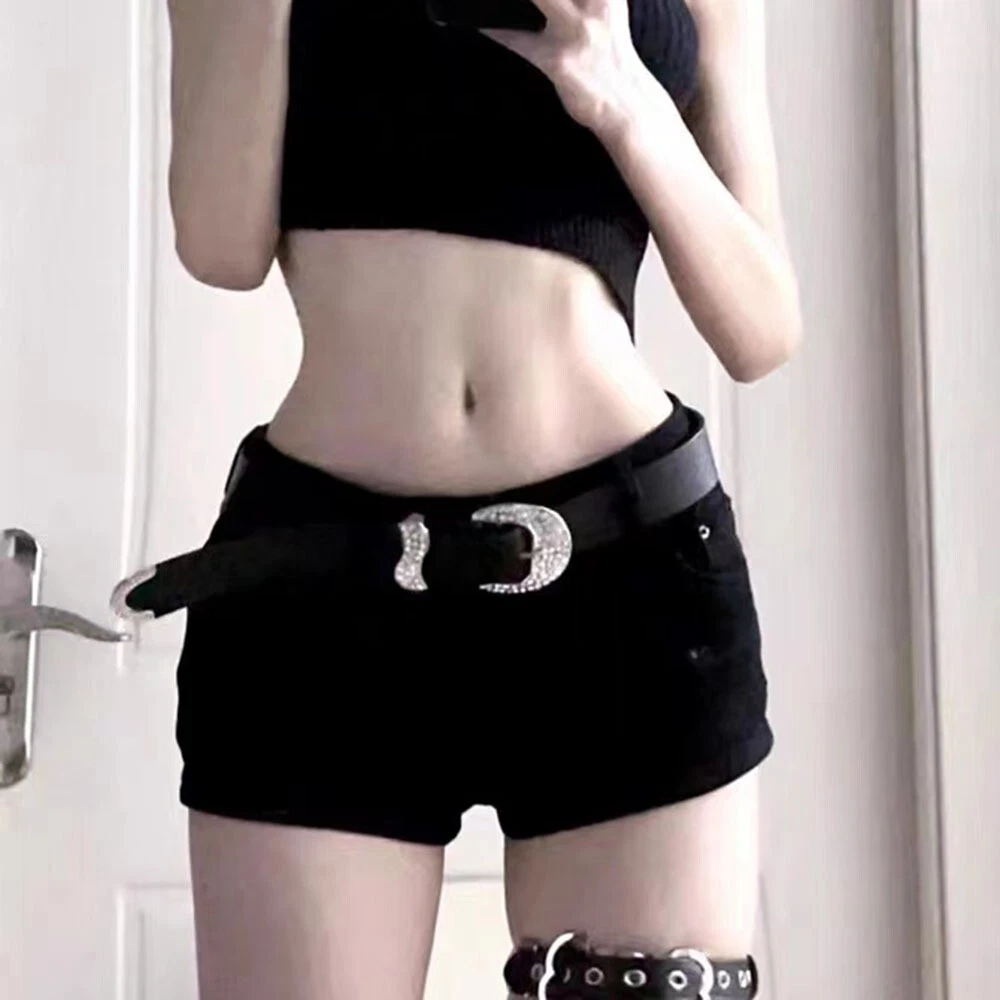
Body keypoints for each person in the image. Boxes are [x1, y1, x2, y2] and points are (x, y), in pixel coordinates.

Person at [113, 1, 801, 997]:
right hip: (324, 584)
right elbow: (220, 245)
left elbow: (761, 326)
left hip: (624, 574)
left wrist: (626, 102)